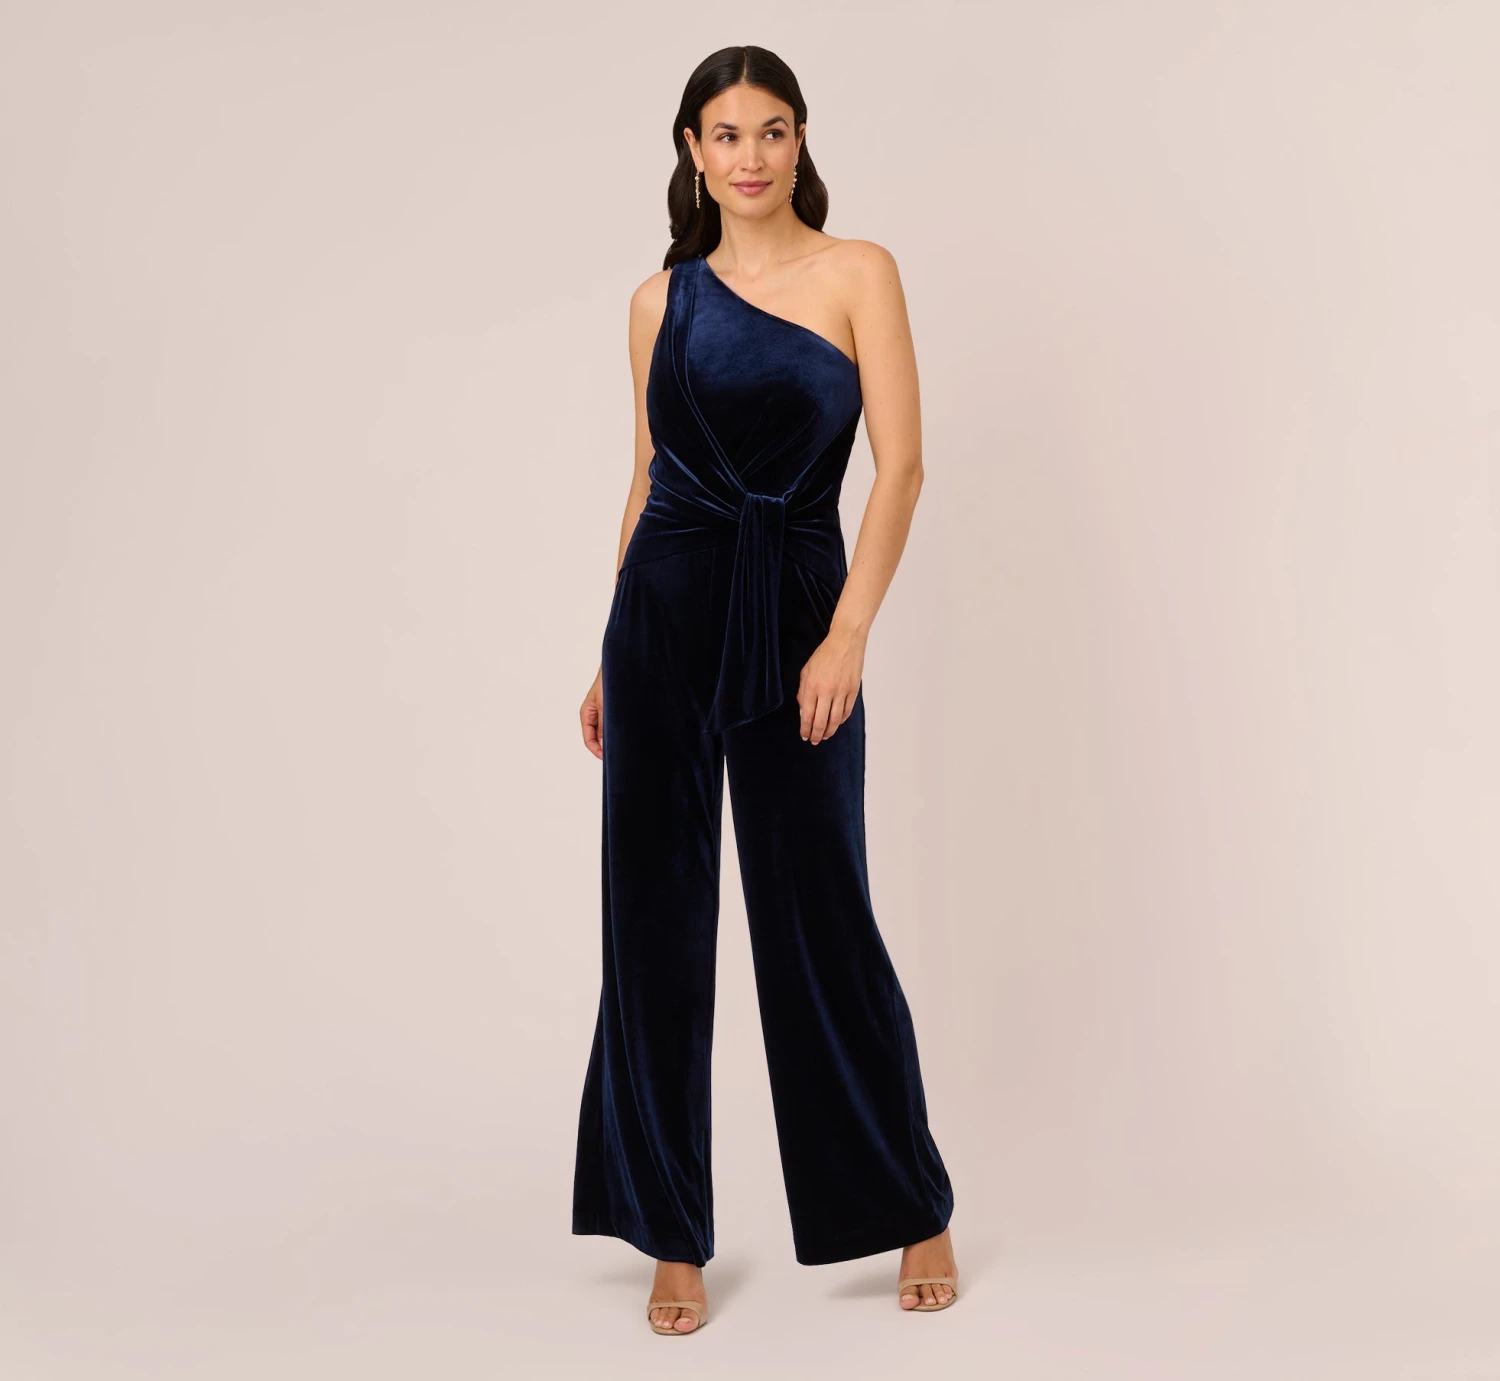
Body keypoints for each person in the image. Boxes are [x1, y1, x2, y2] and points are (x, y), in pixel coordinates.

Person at [571, 45, 959, 1336]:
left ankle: (909, 1203)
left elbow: (901, 469)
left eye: (773, 130)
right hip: (663, 619)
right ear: (692, 150)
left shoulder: (858, 273)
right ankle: (668, 1232)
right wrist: (609, 650)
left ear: (801, 142)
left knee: (819, 914)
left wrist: (846, 635)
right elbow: (647, 480)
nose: (750, 156)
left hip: (799, 606)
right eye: (726, 134)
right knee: (653, 923)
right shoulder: (657, 302)